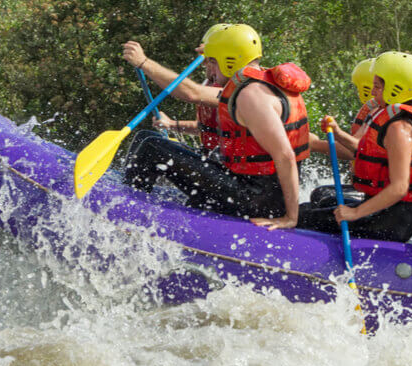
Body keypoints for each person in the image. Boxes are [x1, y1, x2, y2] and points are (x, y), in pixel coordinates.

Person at [120, 24, 310, 229]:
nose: (207, 68)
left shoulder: (252, 95)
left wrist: (291, 218)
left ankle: (125, 213)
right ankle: (132, 197)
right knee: (145, 137)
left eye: (211, 61)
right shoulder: (253, 84)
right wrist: (214, 49)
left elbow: (286, 156)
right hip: (248, 187)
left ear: (230, 61)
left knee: (152, 147)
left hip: (256, 199)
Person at [296, 52, 412, 243]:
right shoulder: (398, 120)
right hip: (385, 212)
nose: (372, 92)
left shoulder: (400, 129)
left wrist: (355, 213)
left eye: (377, 87)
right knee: (321, 203)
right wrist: (337, 133)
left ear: (396, 89)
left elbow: (400, 188)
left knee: (301, 217)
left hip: (392, 222)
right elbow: (363, 151)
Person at [148, 24, 229, 158]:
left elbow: (191, 93)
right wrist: (171, 124)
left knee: (151, 144)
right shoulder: (209, 82)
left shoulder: (233, 86)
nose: (204, 62)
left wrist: (143, 63)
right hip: (208, 155)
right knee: (145, 136)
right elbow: (201, 128)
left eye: (211, 59)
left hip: (224, 165)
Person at [305, 57, 376, 208]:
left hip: (377, 194)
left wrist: (315, 144)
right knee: (320, 195)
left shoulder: (382, 113)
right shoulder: (380, 111)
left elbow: (353, 151)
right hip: (372, 189)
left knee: (321, 197)